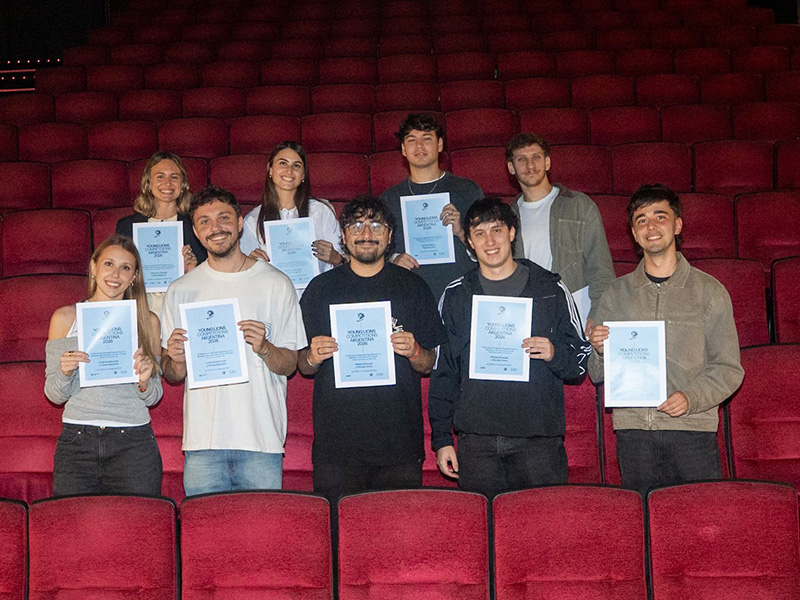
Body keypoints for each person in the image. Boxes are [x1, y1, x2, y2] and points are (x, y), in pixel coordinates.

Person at [587, 184, 744, 496]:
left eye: (660, 216)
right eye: (642, 220)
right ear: (633, 233)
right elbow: (596, 373)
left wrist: (691, 397)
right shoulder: (616, 294)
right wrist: (601, 351)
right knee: (645, 527)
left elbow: (729, 369)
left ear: (677, 225)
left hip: (691, 429)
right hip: (634, 434)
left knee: (699, 525)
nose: (651, 226)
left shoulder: (709, 292)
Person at [429, 198, 590, 497]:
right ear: (469, 241)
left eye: (497, 230)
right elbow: (444, 373)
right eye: (479, 233)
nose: (490, 241)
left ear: (512, 233)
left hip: (538, 441)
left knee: (543, 533)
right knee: (484, 539)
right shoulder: (456, 296)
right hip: (476, 443)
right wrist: (442, 439)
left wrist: (555, 353)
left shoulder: (550, 289)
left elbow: (580, 360)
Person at [298, 195, 447, 500]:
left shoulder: (413, 286)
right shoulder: (320, 289)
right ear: (343, 235)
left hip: (399, 445)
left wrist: (415, 351)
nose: (366, 234)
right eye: (356, 225)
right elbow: (302, 366)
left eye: (376, 225)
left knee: (397, 540)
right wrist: (313, 357)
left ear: (390, 236)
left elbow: (430, 363)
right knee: (339, 541)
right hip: (336, 447)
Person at [160, 185, 307, 496]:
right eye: (205, 222)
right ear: (196, 233)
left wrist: (265, 348)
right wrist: (175, 359)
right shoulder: (180, 289)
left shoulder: (276, 283)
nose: (216, 228)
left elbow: (290, 364)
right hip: (203, 443)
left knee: (264, 539)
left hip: (260, 440)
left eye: (224, 218)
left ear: (240, 223)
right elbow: (173, 374)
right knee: (203, 542)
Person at [44, 234, 163, 496]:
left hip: (134, 442)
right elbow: (54, 394)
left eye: (125, 268)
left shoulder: (147, 322)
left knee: (136, 531)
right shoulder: (65, 318)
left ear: (134, 277)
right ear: (93, 268)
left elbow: (154, 397)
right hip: (77, 441)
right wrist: (65, 372)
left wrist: (143, 382)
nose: (116, 274)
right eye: (108, 264)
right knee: (74, 529)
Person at [506, 133, 615, 332]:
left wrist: (598, 313)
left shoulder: (580, 206)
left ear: (547, 162)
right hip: (527, 315)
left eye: (536, 157)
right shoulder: (506, 216)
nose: (530, 165)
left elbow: (600, 268)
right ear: (511, 167)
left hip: (575, 311)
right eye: (522, 159)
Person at [380, 113, 483, 301]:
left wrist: (461, 232)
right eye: (412, 140)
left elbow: (490, 248)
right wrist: (393, 259)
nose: (419, 146)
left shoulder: (467, 190)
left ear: (440, 144)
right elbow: (377, 250)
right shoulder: (389, 198)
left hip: (461, 293)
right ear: (403, 149)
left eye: (427, 139)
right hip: (410, 294)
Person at [116, 151, 207, 314]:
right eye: (160, 176)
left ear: (183, 185)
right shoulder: (127, 227)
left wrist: (191, 270)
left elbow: (207, 279)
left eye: (174, 177)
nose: (167, 183)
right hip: (140, 310)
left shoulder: (195, 226)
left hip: (181, 307)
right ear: (148, 183)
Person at [240, 140, 344, 283]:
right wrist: (250, 264)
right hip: (274, 297)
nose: (289, 171)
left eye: (296, 165)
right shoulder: (253, 220)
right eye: (283, 163)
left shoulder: (321, 212)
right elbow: (242, 274)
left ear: (303, 176)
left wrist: (335, 258)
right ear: (270, 169)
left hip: (316, 294)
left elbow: (343, 264)